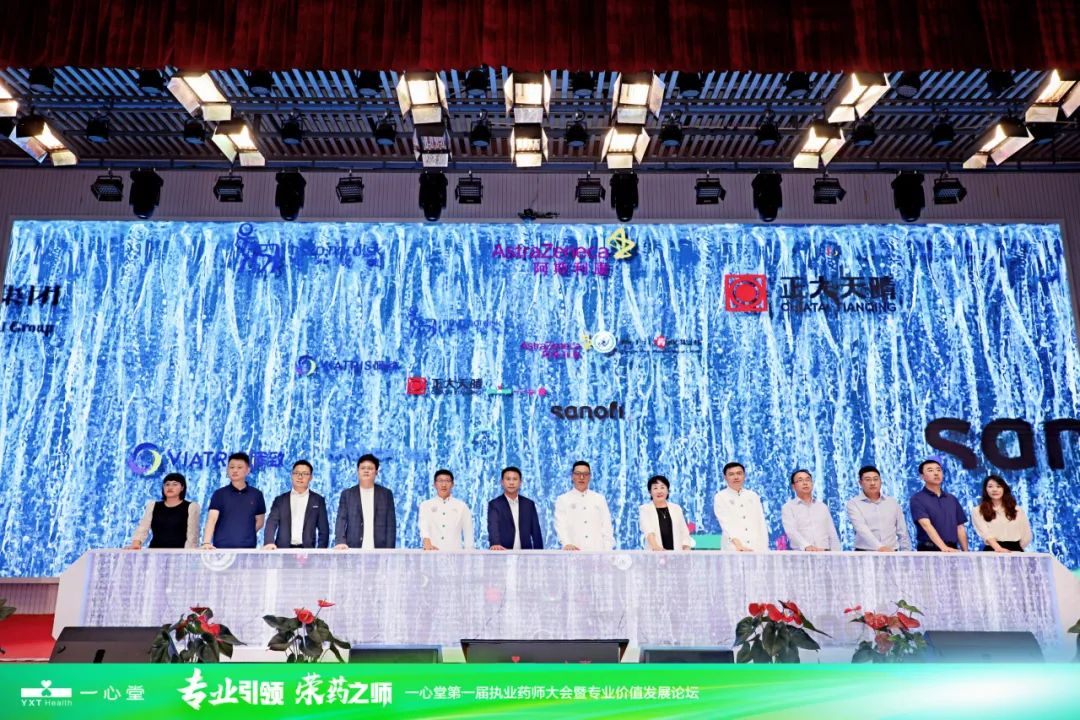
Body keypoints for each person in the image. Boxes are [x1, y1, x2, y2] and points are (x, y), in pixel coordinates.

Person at [202, 452, 266, 549]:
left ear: (248, 470)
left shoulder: (256, 494)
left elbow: (260, 522)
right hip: (221, 548)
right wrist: (206, 542)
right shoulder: (219, 494)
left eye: (239, 467)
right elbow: (212, 519)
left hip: (247, 548)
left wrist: (246, 534)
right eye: (231, 467)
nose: (235, 470)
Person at [262, 460, 330, 549]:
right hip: (283, 550)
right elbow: (271, 523)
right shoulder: (280, 500)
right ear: (292, 475)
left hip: (308, 550)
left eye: (304, 474)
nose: (300, 477)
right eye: (296, 473)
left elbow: (324, 530)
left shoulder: (318, 500)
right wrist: (269, 542)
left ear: (311, 477)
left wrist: (320, 552)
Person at [334, 453, 396, 549]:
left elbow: (391, 526)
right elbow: (341, 520)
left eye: (370, 468)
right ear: (358, 471)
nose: (366, 471)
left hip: (380, 549)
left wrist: (389, 550)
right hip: (353, 548)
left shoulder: (386, 494)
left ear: (376, 472)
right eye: (363, 468)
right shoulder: (347, 494)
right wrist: (340, 541)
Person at [845, 465, 911, 551]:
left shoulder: (892, 502)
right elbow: (861, 528)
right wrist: (880, 547)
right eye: (868, 480)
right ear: (860, 483)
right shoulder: (853, 503)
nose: (872, 483)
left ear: (881, 481)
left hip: (891, 552)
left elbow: (902, 530)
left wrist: (906, 552)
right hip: (865, 552)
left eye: (875, 479)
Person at [909, 459, 968, 552]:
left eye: (938, 470)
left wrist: (966, 552)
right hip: (929, 550)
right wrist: (943, 547)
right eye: (930, 470)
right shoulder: (917, 499)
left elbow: (960, 527)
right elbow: (926, 525)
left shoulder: (951, 499)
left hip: (952, 549)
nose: (936, 473)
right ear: (922, 476)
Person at [128, 472, 200, 549]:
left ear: (182, 488)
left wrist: (188, 553)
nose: (170, 487)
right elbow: (143, 528)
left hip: (180, 552)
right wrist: (136, 543)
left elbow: (192, 536)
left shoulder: (191, 507)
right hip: (155, 552)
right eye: (167, 484)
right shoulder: (153, 506)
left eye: (175, 484)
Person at [554, 460, 615, 551]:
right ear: (572, 476)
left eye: (585, 474)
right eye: (578, 474)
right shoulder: (563, 499)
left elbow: (607, 527)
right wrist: (567, 543)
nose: (581, 477)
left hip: (597, 552)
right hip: (573, 552)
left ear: (590, 477)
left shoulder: (599, 499)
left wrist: (607, 550)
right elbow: (561, 525)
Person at [713, 461, 769, 551]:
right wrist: (738, 544)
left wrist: (764, 547)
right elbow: (725, 523)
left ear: (744, 475)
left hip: (756, 547)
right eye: (731, 474)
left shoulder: (753, 496)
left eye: (739, 473)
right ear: (725, 477)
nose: (736, 477)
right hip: (733, 547)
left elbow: (761, 523)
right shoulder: (720, 496)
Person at [780, 469, 841, 551]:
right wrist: (806, 546)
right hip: (802, 553)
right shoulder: (788, 507)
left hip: (824, 552)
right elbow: (791, 531)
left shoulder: (822, 507)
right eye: (800, 480)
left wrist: (837, 552)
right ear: (793, 486)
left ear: (812, 483)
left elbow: (832, 533)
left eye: (808, 480)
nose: (805, 483)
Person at [971, 475, 1032, 552]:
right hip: (992, 551)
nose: (995, 490)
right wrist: (998, 548)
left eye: (998, 486)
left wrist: (1017, 549)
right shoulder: (977, 511)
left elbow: (1026, 535)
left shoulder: (1017, 510)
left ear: (1004, 489)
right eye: (990, 486)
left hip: (1015, 550)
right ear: (985, 490)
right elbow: (986, 534)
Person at [487, 466, 544, 550]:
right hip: (503, 551)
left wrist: (540, 553)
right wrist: (495, 543)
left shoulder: (529, 504)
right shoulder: (495, 504)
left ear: (520, 482)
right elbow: (493, 526)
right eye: (508, 479)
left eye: (515, 479)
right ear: (502, 482)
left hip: (526, 553)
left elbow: (536, 531)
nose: (511, 483)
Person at [419, 469, 474, 551]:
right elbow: (423, 526)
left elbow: (468, 533)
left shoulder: (462, 506)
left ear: (452, 484)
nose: (444, 484)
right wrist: (426, 541)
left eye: (447, 481)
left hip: (455, 553)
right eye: (440, 481)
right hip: (432, 552)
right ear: (434, 484)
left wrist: (469, 553)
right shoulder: (426, 505)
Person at [638, 475, 693, 551]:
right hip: (655, 554)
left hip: (676, 554)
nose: (659, 491)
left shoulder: (676, 508)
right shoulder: (645, 509)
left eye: (662, 487)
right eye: (655, 488)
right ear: (650, 492)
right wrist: (656, 547)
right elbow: (648, 531)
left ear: (667, 491)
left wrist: (686, 549)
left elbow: (684, 532)